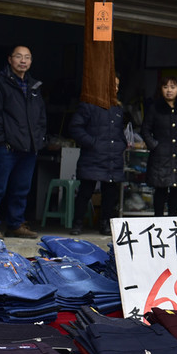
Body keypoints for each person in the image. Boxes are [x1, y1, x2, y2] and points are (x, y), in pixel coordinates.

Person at [0, 45, 46, 240]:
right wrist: (1, 140)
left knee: (21, 190)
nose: (23, 61)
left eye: (27, 57)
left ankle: (15, 224)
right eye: (19, 57)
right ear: (10, 59)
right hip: (6, 148)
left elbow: (41, 117)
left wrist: (40, 140)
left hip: (29, 149)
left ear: (31, 61)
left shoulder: (34, 87)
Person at [69, 77, 127, 236]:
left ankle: (105, 224)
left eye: (116, 86)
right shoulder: (89, 105)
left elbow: (119, 132)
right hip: (93, 155)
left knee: (110, 192)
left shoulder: (118, 109)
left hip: (112, 156)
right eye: (111, 85)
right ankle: (77, 224)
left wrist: (122, 144)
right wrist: (92, 143)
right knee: (86, 190)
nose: (114, 89)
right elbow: (75, 128)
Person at [140, 76, 177, 217]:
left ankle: (173, 219)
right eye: (165, 87)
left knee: (176, 188)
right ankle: (159, 220)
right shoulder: (154, 108)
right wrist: (153, 145)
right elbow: (145, 130)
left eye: (173, 87)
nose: (169, 90)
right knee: (161, 188)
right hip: (160, 155)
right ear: (161, 89)